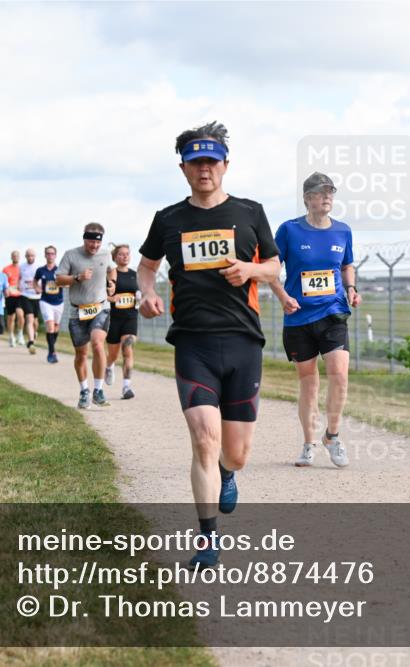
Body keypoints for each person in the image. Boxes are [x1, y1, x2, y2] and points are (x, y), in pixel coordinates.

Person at [137, 121, 281, 568]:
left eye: (212, 162)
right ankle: (206, 538)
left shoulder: (250, 212)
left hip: (242, 342)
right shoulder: (168, 219)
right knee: (203, 438)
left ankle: (227, 473)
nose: (205, 170)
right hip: (193, 343)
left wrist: (250, 271)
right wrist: (147, 293)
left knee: (235, 452)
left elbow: (275, 266)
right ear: (183, 168)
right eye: (196, 162)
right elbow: (146, 267)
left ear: (225, 165)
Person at [269, 172, 360, 468]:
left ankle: (332, 436)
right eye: (321, 193)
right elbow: (270, 269)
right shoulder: (289, 230)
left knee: (340, 375)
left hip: (333, 313)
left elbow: (347, 264)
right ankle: (309, 442)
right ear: (307, 198)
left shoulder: (343, 231)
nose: (327, 197)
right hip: (298, 318)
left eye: (330, 192)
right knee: (309, 384)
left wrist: (351, 289)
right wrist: (283, 296)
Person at [56, 223, 116, 409]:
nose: (94, 246)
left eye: (97, 243)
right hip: (77, 311)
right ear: (85, 239)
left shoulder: (105, 254)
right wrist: (76, 278)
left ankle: (98, 391)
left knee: (97, 343)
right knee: (81, 354)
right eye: (91, 242)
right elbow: (58, 280)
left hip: (100, 307)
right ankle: (84, 391)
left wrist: (112, 283)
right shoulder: (71, 255)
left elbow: (111, 269)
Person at [105, 244, 140, 399]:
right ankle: (109, 366)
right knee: (113, 354)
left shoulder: (135, 275)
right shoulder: (111, 274)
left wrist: (140, 297)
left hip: (131, 318)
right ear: (115, 257)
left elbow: (141, 293)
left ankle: (127, 387)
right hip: (114, 318)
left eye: (127, 253)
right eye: (121, 254)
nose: (125, 256)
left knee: (127, 349)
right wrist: (113, 298)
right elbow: (104, 295)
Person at [34, 245, 64, 364]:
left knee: (56, 327)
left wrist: (63, 284)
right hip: (45, 301)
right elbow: (34, 281)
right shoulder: (40, 270)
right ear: (45, 255)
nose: (50, 255)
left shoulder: (60, 270)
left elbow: (67, 282)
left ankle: (52, 346)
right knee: (50, 326)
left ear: (55, 255)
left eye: (52, 253)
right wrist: (37, 288)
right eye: (48, 253)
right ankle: (52, 352)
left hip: (59, 302)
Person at [18, 247, 41, 354]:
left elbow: (42, 281)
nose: (30, 257)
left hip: (36, 297)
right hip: (25, 295)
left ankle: (34, 333)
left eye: (32, 255)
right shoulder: (21, 267)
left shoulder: (39, 267)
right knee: (29, 318)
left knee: (35, 322)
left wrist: (38, 289)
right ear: (25, 256)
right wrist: (18, 287)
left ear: (35, 256)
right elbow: (19, 278)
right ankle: (31, 341)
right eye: (28, 255)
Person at [3, 250, 25, 347]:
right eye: (13, 256)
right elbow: (3, 282)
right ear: (11, 257)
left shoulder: (22, 268)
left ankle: (20, 333)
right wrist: (6, 290)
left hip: (20, 295)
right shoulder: (6, 269)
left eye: (17, 256)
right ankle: (11, 336)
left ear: (19, 257)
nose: (15, 257)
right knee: (11, 317)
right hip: (10, 295)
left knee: (20, 314)